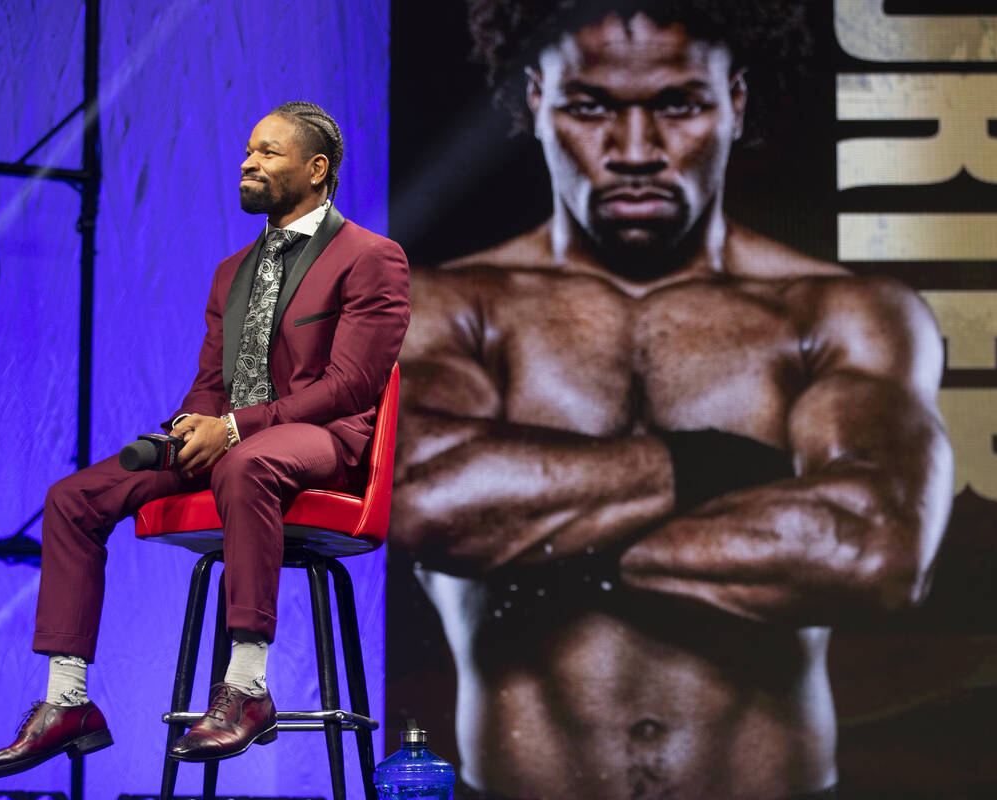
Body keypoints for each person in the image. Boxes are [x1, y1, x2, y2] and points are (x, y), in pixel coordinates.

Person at [389, 2, 953, 798]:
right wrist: (720, 466)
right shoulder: (448, 310)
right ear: (536, 103)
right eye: (591, 107)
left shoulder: (836, 316)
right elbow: (416, 503)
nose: (635, 151)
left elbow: (877, 551)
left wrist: (544, 535)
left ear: (736, 103)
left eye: (678, 104)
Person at [0, 101, 410, 778]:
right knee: (75, 496)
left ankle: (248, 687)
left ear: (317, 169)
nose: (248, 162)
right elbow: (212, 382)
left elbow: (352, 385)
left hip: (324, 449)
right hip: (241, 445)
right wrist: (191, 427)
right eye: (248, 151)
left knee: (246, 466)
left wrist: (234, 429)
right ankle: (68, 703)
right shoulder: (232, 271)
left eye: (268, 153)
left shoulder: (371, 258)